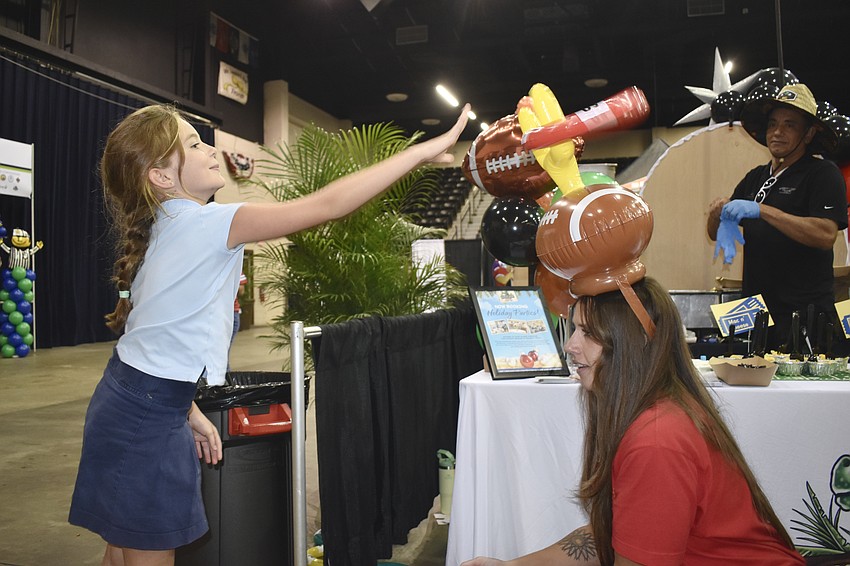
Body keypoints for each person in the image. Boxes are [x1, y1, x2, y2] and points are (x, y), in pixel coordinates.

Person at [68, 102, 469, 565]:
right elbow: (326, 206)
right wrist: (417, 155)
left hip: (130, 402)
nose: (211, 149)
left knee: (121, 549)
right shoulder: (209, 223)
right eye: (195, 144)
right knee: (140, 550)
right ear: (160, 175)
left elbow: (148, 341)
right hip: (145, 419)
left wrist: (186, 410)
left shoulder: (163, 227)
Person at [462, 277, 804, 566]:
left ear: (630, 344)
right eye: (573, 329)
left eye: (587, 333)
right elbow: (616, 533)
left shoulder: (657, 441)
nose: (570, 346)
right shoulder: (655, 413)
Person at [707, 83, 847, 353]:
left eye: (789, 125)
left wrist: (762, 211)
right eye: (773, 124)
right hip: (757, 315)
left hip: (805, 318)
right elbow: (714, 233)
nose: (777, 132)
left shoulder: (822, 174)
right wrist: (717, 215)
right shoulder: (755, 178)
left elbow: (825, 235)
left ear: (808, 134)